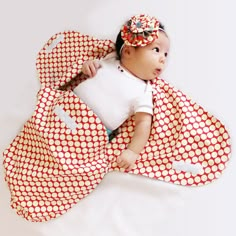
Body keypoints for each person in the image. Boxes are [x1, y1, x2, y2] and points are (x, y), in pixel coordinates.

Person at [74, 14, 170, 171]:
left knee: (72, 158)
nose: (163, 59)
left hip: (91, 132)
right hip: (67, 107)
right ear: (128, 51)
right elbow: (90, 69)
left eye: (166, 54)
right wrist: (88, 66)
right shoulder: (110, 60)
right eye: (157, 50)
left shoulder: (144, 91)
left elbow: (143, 124)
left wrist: (132, 151)